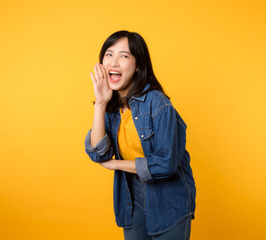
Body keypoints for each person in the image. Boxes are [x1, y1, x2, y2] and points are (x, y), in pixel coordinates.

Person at [84, 30, 196, 240]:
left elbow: (166, 163)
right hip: (131, 198)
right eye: (109, 54)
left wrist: (116, 164)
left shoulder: (157, 103)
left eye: (124, 56)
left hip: (168, 199)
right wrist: (100, 104)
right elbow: (98, 153)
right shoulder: (111, 106)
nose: (114, 62)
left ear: (137, 66)